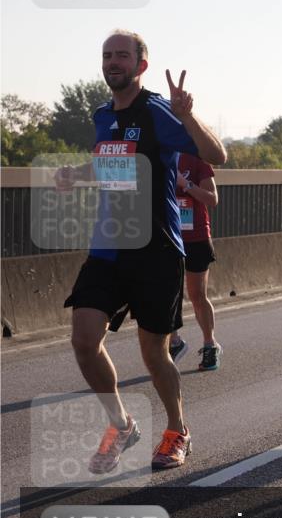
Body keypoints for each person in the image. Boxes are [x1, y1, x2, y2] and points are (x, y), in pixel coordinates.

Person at [57, 30, 227, 472]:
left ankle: (177, 429)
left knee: (154, 353)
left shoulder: (157, 111)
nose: (113, 62)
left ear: (141, 65)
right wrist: (75, 174)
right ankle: (123, 425)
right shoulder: (101, 115)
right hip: (108, 247)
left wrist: (188, 115)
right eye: (107, 56)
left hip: (157, 250)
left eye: (122, 55)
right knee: (83, 341)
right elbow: (109, 163)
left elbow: (217, 155)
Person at [169, 153, 222, 370]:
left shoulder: (197, 159)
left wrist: (186, 184)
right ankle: (174, 342)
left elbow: (212, 199)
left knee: (197, 295)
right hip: (167, 237)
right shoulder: (159, 154)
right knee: (166, 293)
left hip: (196, 237)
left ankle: (210, 345)